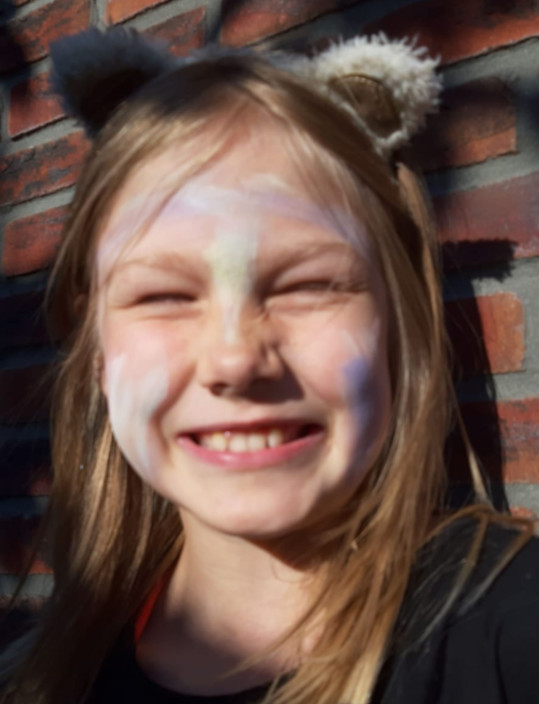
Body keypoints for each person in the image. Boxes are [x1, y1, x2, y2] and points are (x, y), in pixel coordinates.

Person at [1, 27, 538, 704]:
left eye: (308, 286)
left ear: (396, 323)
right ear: (96, 349)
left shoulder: (511, 631)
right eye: (163, 296)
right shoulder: (42, 676)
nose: (235, 359)